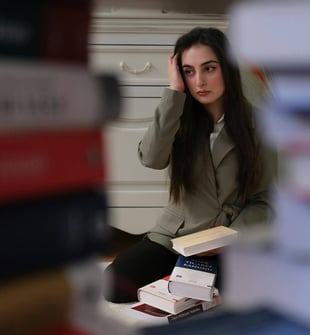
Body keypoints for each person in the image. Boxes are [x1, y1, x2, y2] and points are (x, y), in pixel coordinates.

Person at [104, 27, 276, 303]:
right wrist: (174, 93)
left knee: (238, 297)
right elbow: (151, 158)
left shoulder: (259, 124)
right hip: (174, 238)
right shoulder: (177, 115)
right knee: (114, 287)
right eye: (189, 71)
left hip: (227, 239)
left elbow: (264, 199)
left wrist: (228, 237)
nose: (199, 81)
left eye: (209, 68)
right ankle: (182, 276)